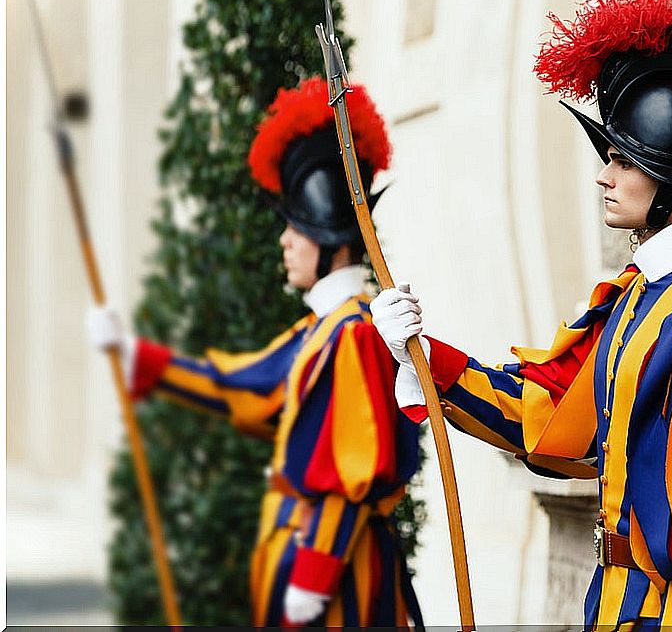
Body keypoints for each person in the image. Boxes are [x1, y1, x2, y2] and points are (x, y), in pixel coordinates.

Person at [370, 0, 672, 629]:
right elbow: (548, 420)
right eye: (608, 156)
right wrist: (419, 355)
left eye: (623, 160)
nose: (603, 176)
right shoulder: (632, 297)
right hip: (611, 606)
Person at [87, 77, 423, 628]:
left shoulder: (353, 334)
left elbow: (353, 476)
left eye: (299, 229)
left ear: (334, 243)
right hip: (297, 552)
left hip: (332, 571)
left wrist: (313, 579)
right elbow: (241, 386)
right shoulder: (320, 331)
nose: (284, 242)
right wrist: (132, 355)